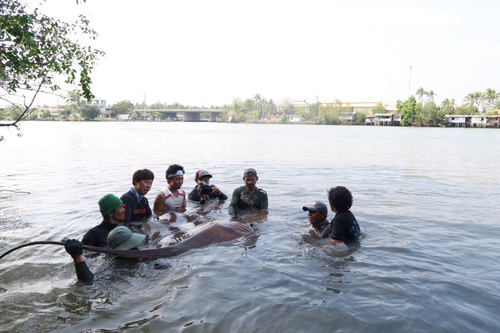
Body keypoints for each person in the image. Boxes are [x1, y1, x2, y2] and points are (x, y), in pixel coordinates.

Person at [65, 226, 146, 283]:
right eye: (134, 244)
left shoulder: (134, 260)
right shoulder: (115, 268)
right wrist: (77, 256)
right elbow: (89, 282)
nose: (138, 247)